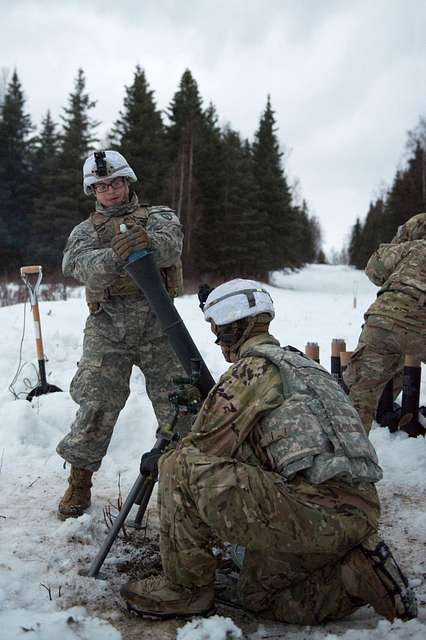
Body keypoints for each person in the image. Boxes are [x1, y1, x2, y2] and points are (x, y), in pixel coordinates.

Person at [120, 279, 417, 624]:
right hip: (358, 511)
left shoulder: (250, 372)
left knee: (178, 465)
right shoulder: (306, 367)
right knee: (258, 595)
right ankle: (353, 573)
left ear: (230, 331)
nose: (218, 342)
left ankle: (185, 591)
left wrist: (162, 460)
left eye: (218, 331)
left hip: (311, 508)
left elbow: (201, 450)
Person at [56, 150, 186, 519]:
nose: (109, 191)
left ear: (127, 182)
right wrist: (116, 255)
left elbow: (171, 245)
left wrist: (145, 242)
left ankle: (185, 485)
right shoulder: (84, 232)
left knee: (181, 405)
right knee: (96, 402)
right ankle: (79, 482)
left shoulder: (159, 216)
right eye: (100, 186)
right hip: (107, 325)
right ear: (92, 191)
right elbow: (80, 267)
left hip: (159, 320)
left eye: (115, 183)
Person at [344, 213, 426, 434]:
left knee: (360, 397)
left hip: (382, 323)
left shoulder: (412, 247)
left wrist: (401, 245)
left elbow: (374, 269)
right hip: (421, 329)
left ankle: (350, 459)